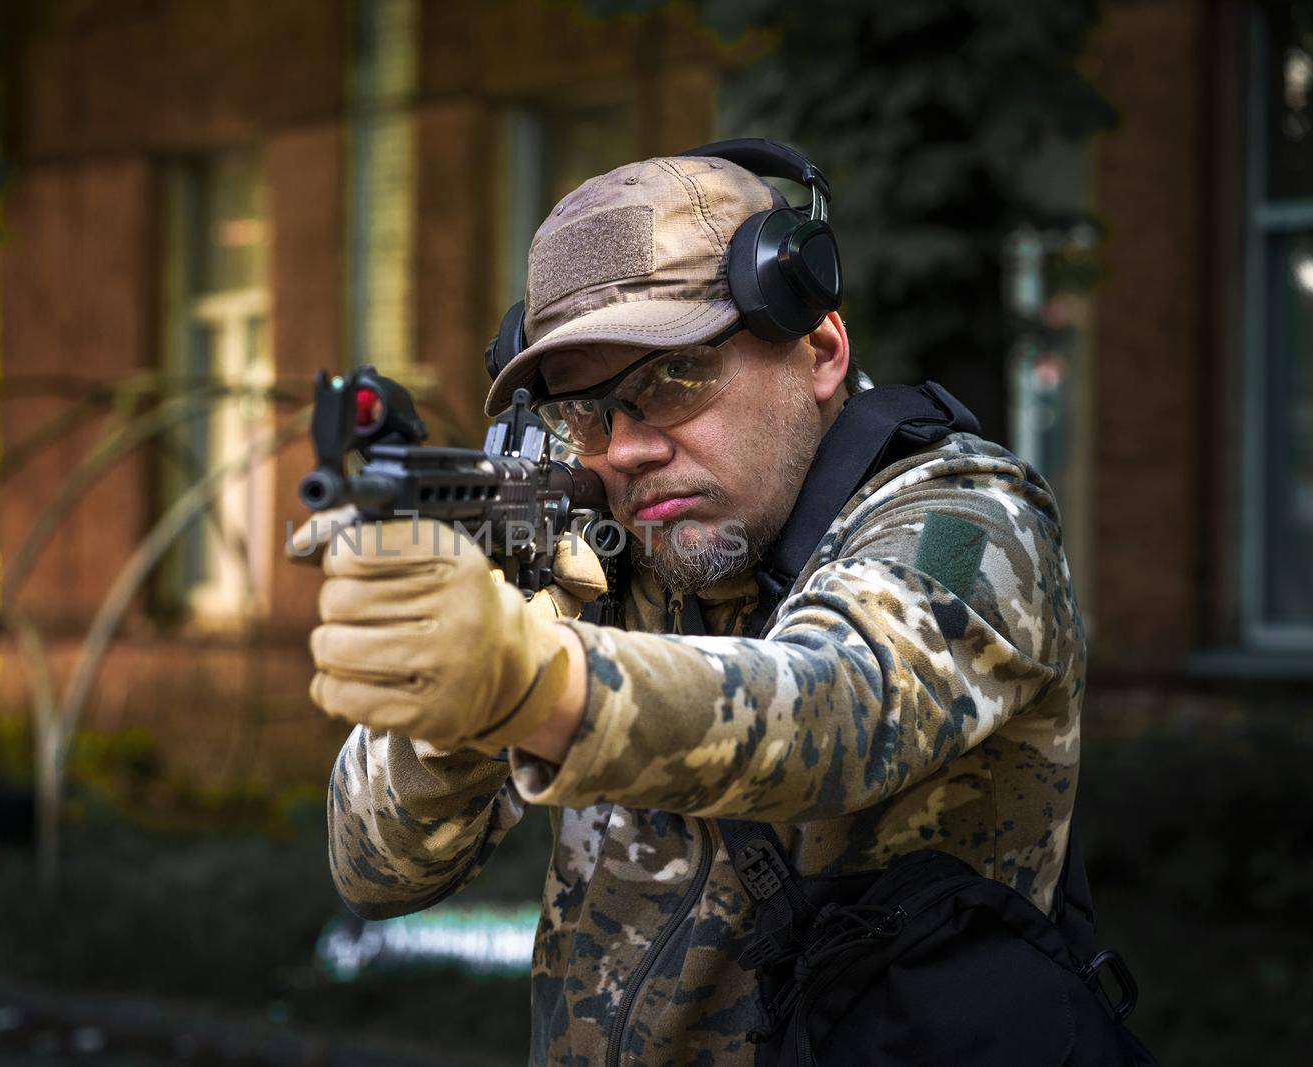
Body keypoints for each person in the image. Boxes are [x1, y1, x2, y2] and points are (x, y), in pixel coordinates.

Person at [309, 150, 1084, 1065]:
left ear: (820, 349)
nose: (628, 449)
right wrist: (459, 691)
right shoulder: (597, 556)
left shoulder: (963, 519)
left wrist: (535, 685)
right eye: (587, 413)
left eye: (675, 378)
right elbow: (375, 865)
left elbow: (834, 699)